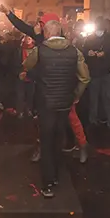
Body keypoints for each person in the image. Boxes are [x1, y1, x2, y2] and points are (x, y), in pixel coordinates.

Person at [23, 20, 90, 198]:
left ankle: (48, 184)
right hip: (64, 103)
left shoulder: (40, 50)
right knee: (58, 140)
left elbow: (27, 65)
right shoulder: (74, 51)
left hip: (46, 103)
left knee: (46, 142)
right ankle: (57, 177)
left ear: (46, 33)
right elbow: (85, 78)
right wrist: (75, 95)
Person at [84, 18, 110, 128]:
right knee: (94, 98)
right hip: (94, 72)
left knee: (108, 98)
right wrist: (88, 53)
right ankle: (93, 120)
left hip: (106, 72)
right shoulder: (90, 39)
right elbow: (84, 52)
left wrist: (105, 54)